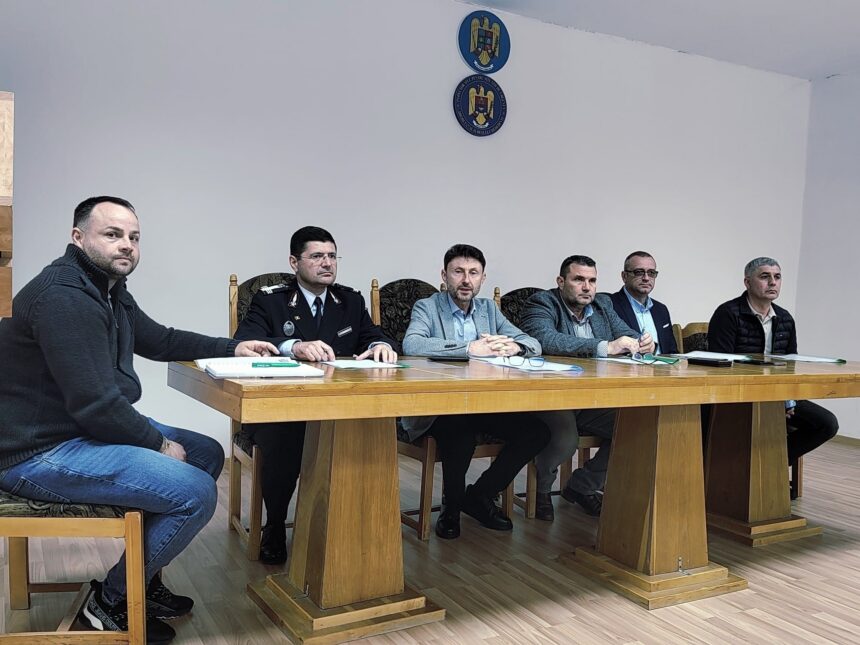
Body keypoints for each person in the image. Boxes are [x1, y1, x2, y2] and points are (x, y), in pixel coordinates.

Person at [0, 196, 278, 644]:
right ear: (78, 237)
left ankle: (138, 583)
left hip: (77, 430)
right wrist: (156, 444)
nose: (126, 245)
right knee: (194, 491)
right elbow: (95, 404)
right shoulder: (64, 297)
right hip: (37, 451)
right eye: (112, 234)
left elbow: (160, 339)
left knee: (206, 451)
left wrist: (234, 348)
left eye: (133, 237)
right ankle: (110, 603)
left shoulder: (108, 290)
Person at [233, 226, 396, 564]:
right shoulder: (271, 300)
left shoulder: (349, 300)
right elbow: (244, 342)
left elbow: (371, 334)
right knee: (283, 438)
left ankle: (356, 526)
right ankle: (275, 524)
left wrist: (380, 344)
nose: (327, 263)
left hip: (339, 406)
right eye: (317, 256)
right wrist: (293, 346)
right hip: (285, 408)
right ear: (294, 262)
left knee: (374, 428)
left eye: (332, 256)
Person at [401, 244, 550, 539]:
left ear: (483, 278)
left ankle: (479, 496)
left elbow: (533, 342)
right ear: (444, 275)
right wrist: (469, 349)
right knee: (460, 430)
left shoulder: (487, 310)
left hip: (482, 402)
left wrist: (516, 346)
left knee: (537, 431)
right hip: (438, 407)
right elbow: (412, 345)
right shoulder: (427, 307)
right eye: (458, 272)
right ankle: (451, 508)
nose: (466, 280)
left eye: (473, 273)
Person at [520, 255, 654, 519]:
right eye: (578, 279)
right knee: (565, 440)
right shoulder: (542, 302)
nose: (586, 287)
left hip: (592, 399)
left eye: (592, 280)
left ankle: (582, 486)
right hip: (551, 397)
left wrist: (643, 342)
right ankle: (543, 492)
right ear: (561, 282)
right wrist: (605, 347)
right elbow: (546, 340)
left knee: (638, 426)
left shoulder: (602, 304)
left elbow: (625, 333)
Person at [708, 257, 838, 466]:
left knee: (826, 423)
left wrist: (788, 399)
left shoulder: (785, 318)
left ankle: (768, 467)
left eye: (777, 277)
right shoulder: (728, 313)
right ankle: (749, 474)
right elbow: (721, 365)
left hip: (778, 395)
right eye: (765, 276)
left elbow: (790, 365)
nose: (772, 282)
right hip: (738, 395)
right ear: (747, 282)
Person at [609, 251, 678, 354]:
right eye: (639, 272)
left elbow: (672, 353)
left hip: (663, 369)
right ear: (624, 276)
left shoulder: (661, 309)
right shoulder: (609, 305)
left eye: (651, 273)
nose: (646, 278)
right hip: (626, 369)